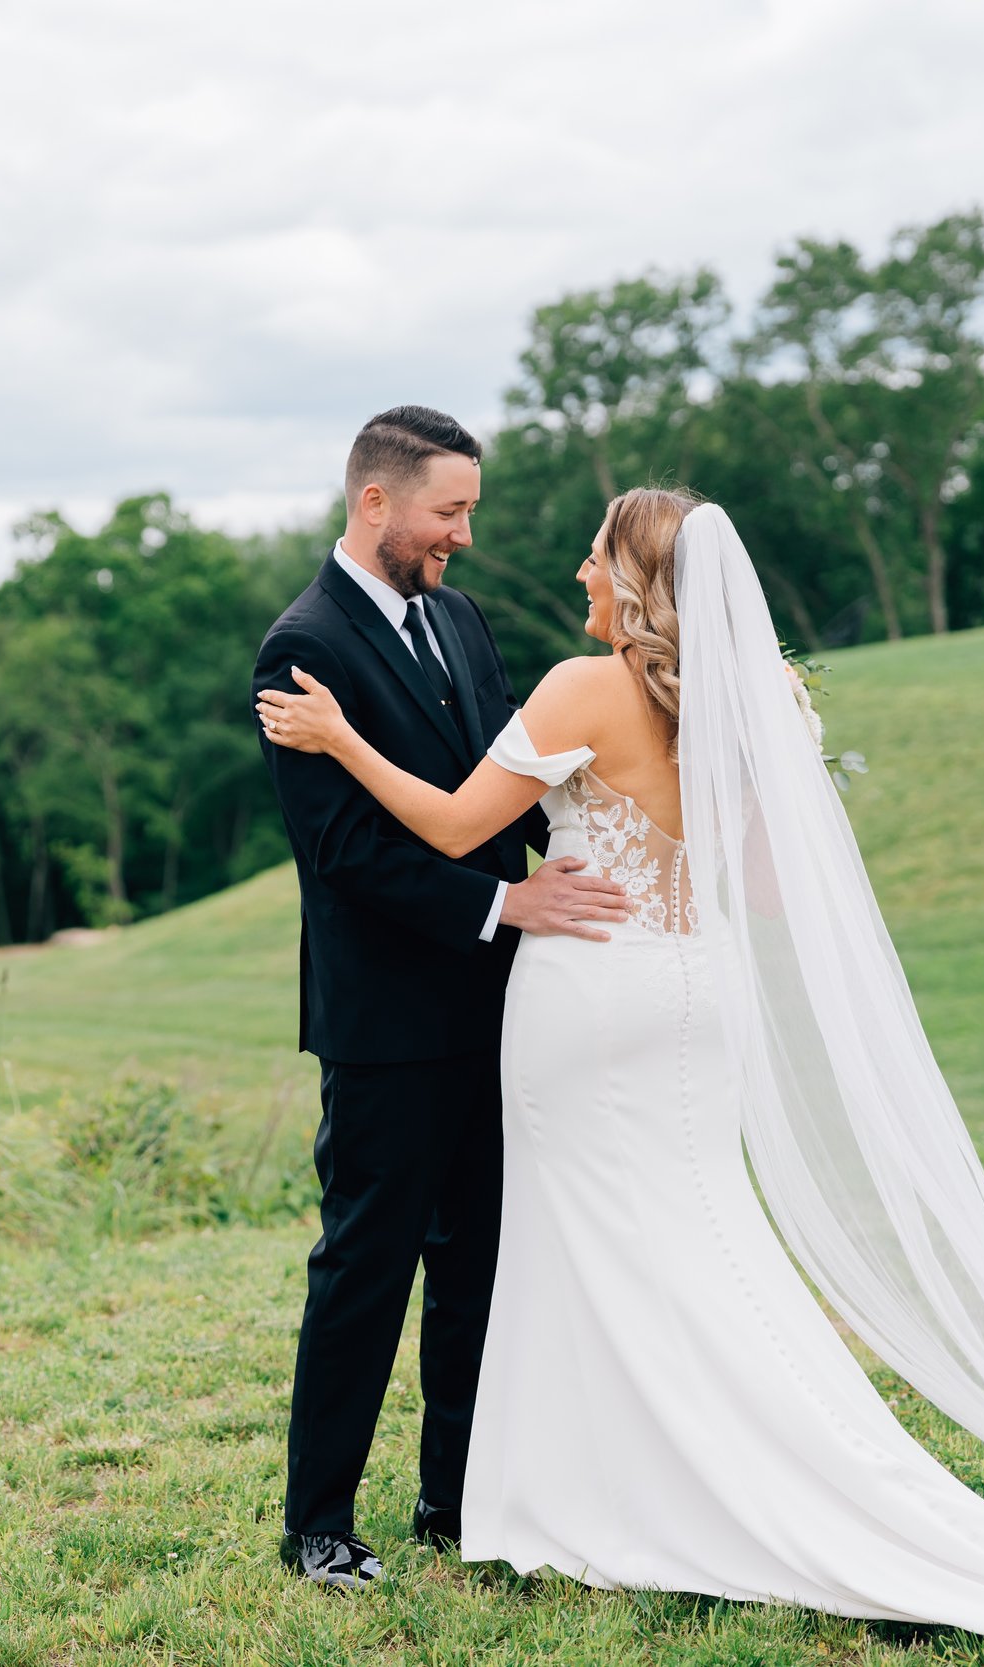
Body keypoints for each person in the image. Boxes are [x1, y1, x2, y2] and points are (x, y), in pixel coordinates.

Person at [256, 487, 984, 1665]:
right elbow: (763, 888)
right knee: (700, 1234)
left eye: (595, 554)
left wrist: (342, 740)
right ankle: (688, 1467)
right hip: (699, 995)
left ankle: (623, 1484)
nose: (575, 570)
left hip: (592, 993)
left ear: (635, 578)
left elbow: (459, 830)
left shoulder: (577, 685)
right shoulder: (753, 700)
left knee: (605, 1239)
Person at [251, 406, 629, 1588]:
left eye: (467, 510)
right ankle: (317, 1524)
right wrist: (500, 907)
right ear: (376, 503)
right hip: (387, 1022)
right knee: (366, 1263)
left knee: (480, 1260)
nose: (462, 534)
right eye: (447, 511)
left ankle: (452, 1499)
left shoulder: (458, 619)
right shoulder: (300, 648)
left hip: (503, 1003)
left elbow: (500, 786)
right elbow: (344, 853)